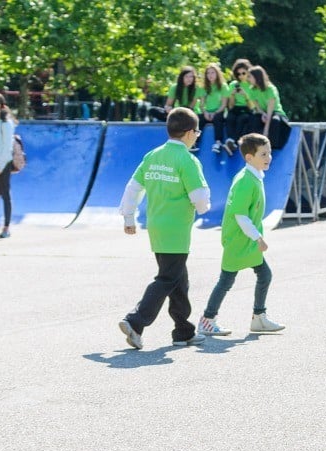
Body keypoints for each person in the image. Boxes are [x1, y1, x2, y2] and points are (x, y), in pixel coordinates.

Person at [117, 107, 211, 349]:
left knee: (179, 279)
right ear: (190, 133)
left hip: (156, 225)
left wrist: (129, 216)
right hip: (176, 229)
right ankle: (135, 321)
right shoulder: (187, 160)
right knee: (167, 277)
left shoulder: (153, 155)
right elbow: (199, 198)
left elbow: (133, 187)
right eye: (197, 133)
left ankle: (183, 331)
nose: (197, 137)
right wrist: (205, 206)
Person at [197, 133, 285, 337]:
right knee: (226, 280)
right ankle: (207, 320)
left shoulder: (254, 177)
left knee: (264, 275)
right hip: (239, 239)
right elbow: (240, 215)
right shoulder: (246, 181)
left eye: (269, 152)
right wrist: (258, 238)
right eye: (263, 154)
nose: (268, 157)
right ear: (249, 158)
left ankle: (259, 318)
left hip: (247, 239)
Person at [246, 65, 292, 150]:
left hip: (275, 112)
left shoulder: (271, 89)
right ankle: (254, 144)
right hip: (263, 112)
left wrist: (266, 130)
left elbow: (270, 109)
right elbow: (257, 107)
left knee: (275, 121)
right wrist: (262, 114)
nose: (248, 79)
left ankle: (272, 147)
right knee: (253, 119)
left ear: (257, 77)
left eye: (250, 76)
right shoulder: (251, 90)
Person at [197, 63, 230, 154]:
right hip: (207, 113)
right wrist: (205, 112)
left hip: (218, 112)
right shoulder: (203, 87)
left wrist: (215, 113)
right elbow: (202, 104)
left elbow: (223, 105)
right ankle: (194, 142)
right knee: (198, 118)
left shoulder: (223, 86)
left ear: (217, 74)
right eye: (208, 73)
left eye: (212, 73)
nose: (210, 75)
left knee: (218, 119)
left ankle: (218, 143)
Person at [0, 94, 16, 239]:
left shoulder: (6, 123)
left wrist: (0, 166)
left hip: (3, 164)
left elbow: (6, 148)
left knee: (5, 195)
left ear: (1, 106)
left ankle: (6, 227)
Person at [224, 59, 254, 155]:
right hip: (236, 108)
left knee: (242, 118)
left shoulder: (252, 85)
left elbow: (252, 106)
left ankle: (234, 141)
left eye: (243, 73)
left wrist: (245, 96)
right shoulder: (233, 85)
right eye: (238, 74)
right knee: (230, 117)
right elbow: (230, 106)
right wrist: (232, 95)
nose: (241, 76)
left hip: (248, 109)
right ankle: (230, 140)